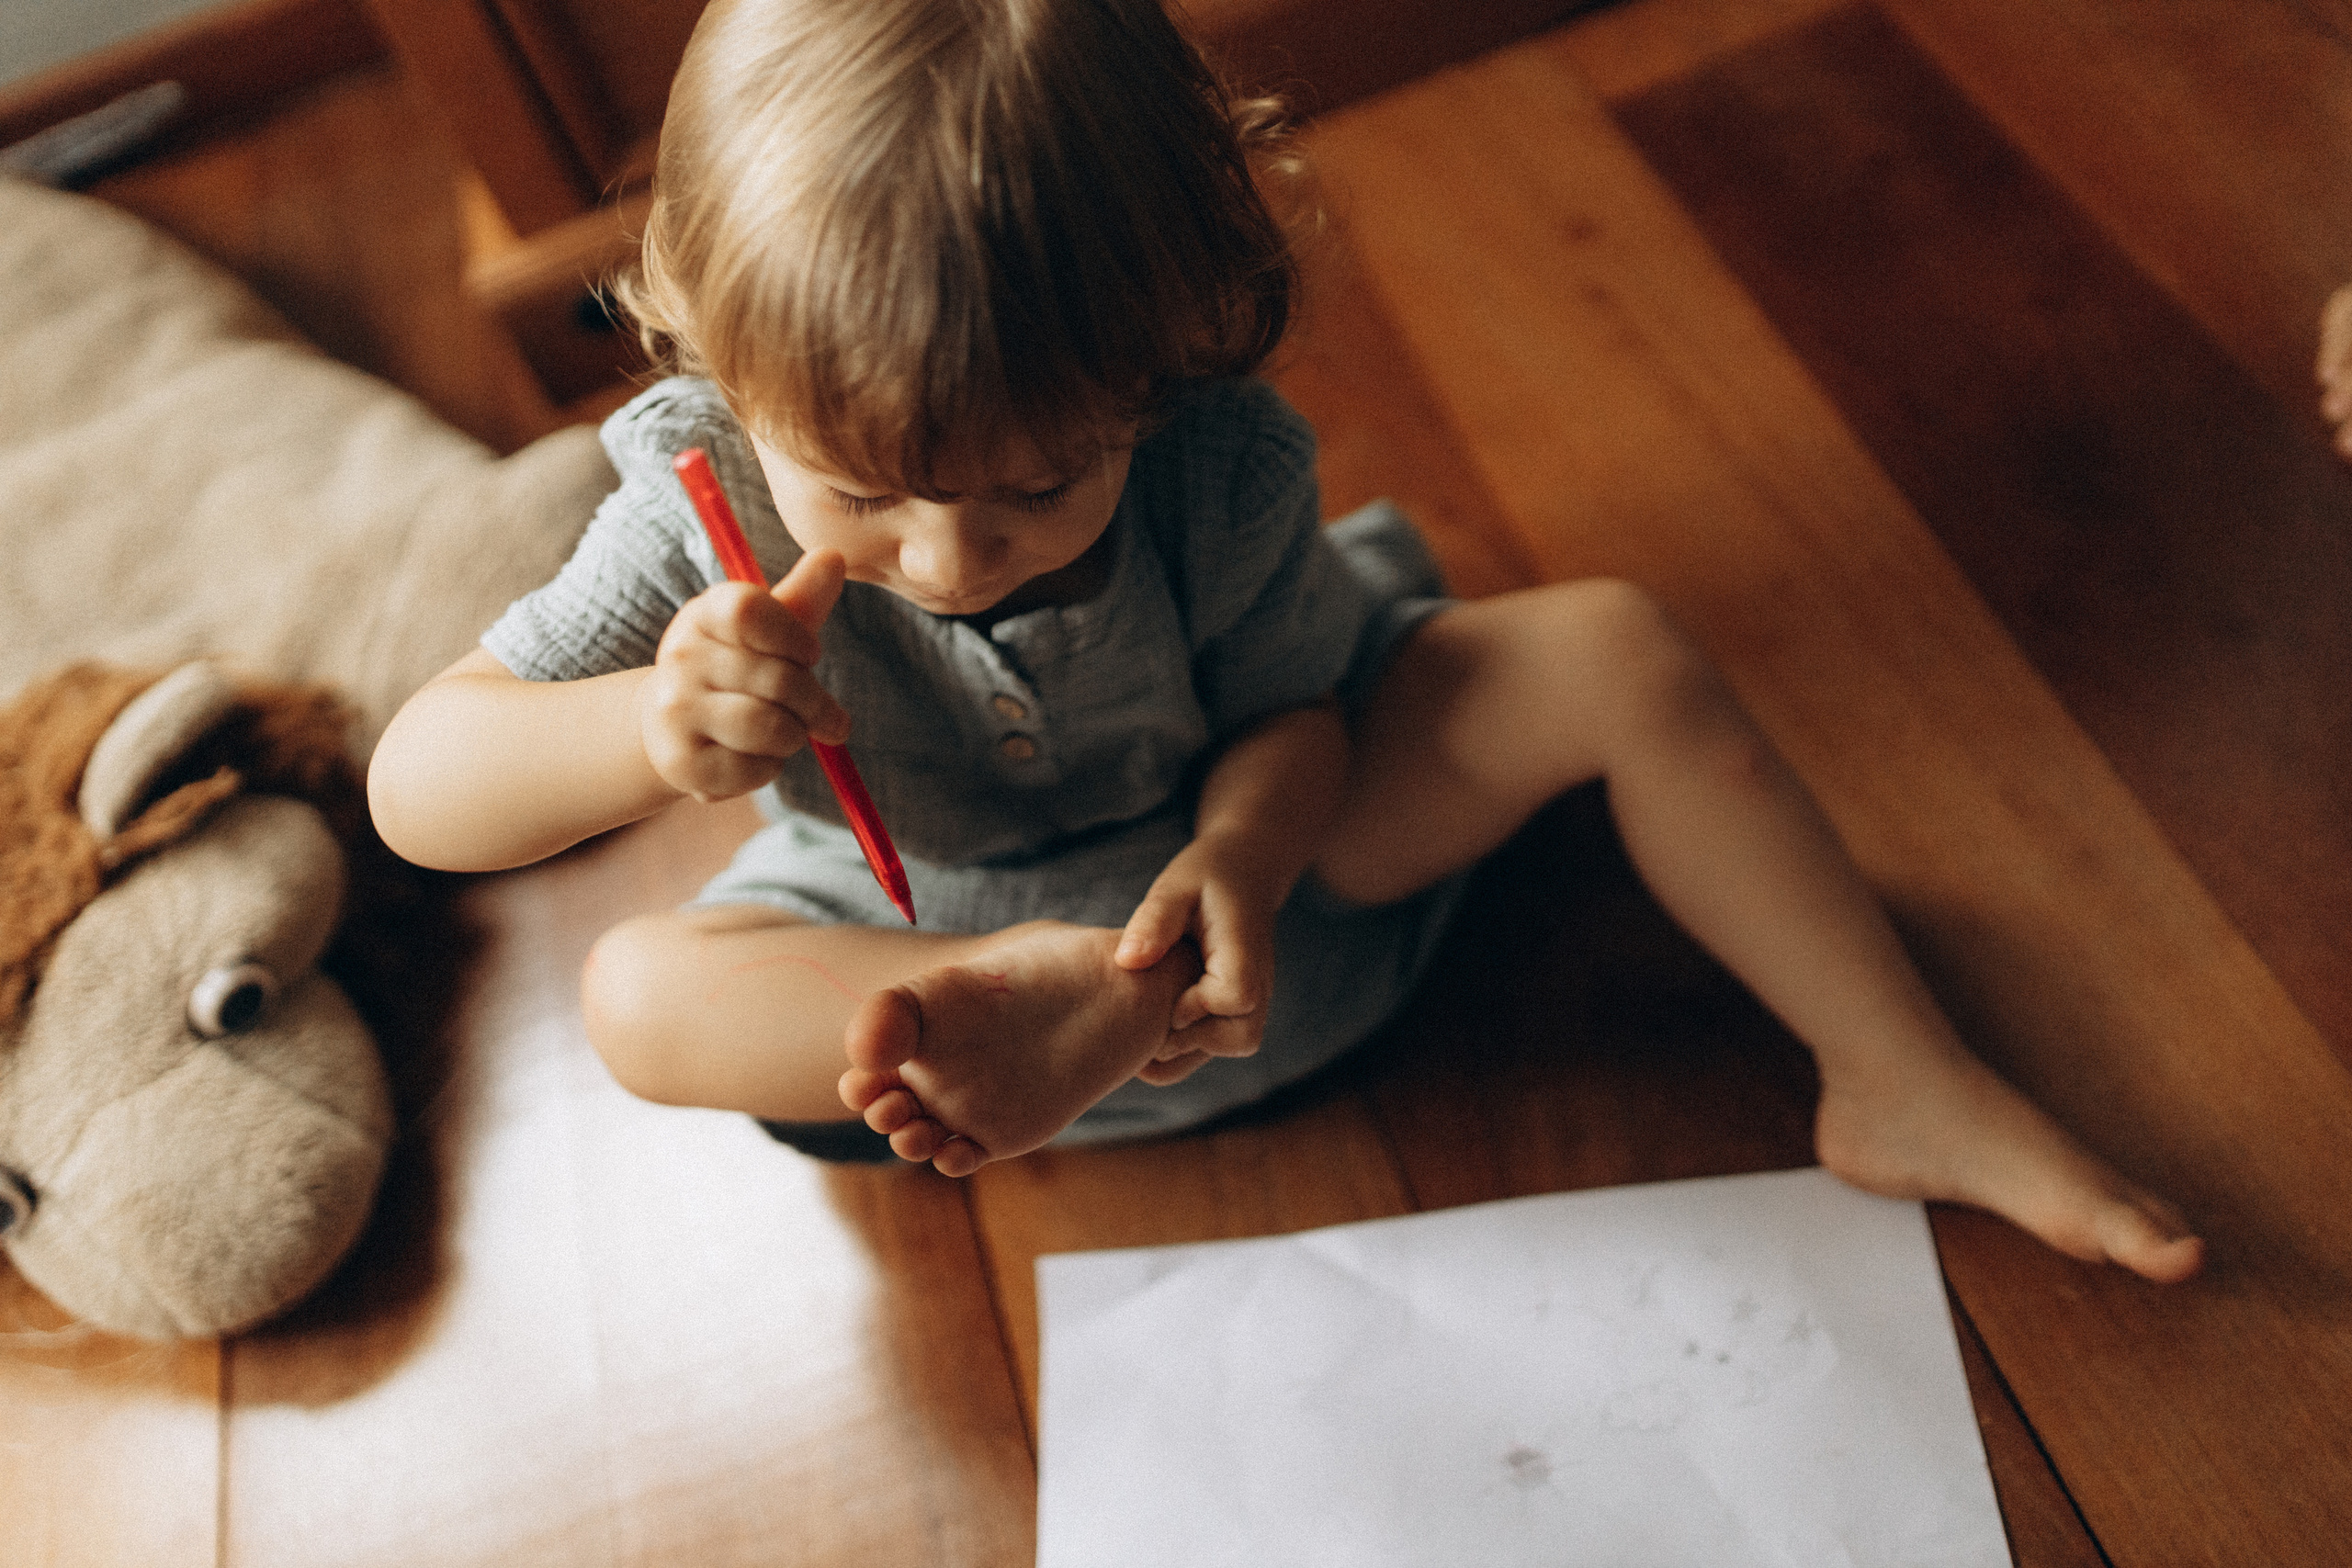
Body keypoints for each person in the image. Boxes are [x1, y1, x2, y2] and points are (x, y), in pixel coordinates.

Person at [367, 0, 2203, 1283]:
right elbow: (419, 789)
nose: (943, 558)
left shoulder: (1216, 466)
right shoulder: (695, 494)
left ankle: (1899, 1071)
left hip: (1266, 903)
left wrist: (1231, 868)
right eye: (861, 489)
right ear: (704, 342)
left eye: (1033, 485)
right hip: (917, 970)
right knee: (633, 1000)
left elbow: (1310, 724)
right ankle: (1023, 1011)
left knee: (1613, 650)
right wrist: (647, 728)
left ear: (1155, 364)